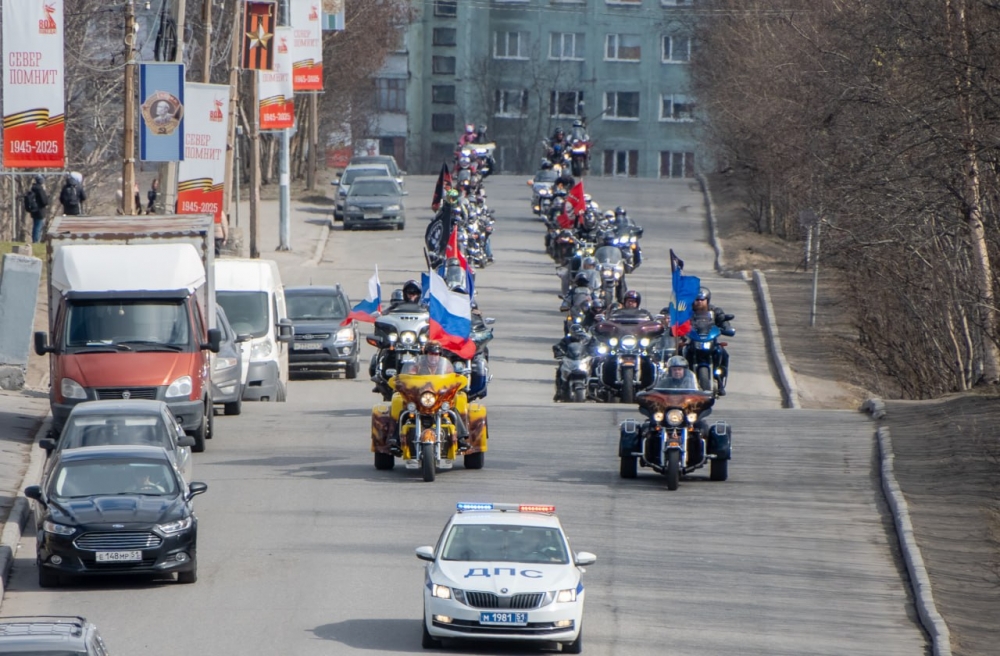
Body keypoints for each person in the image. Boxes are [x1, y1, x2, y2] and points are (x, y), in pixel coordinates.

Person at [676, 287, 735, 396]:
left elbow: (723, 322)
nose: (699, 302)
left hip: (710, 342)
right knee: (679, 353)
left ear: (707, 300)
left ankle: (720, 380)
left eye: (702, 300)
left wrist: (727, 328)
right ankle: (677, 381)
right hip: (693, 341)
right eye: (697, 300)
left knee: (723, 353)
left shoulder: (715, 311)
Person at [25, 175, 49, 243]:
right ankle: (36, 241)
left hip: (34, 210)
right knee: (38, 227)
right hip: (40, 210)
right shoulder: (40, 189)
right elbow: (44, 201)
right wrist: (46, 196)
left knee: (35, 226)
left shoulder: (33, 188)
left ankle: (35, 240)